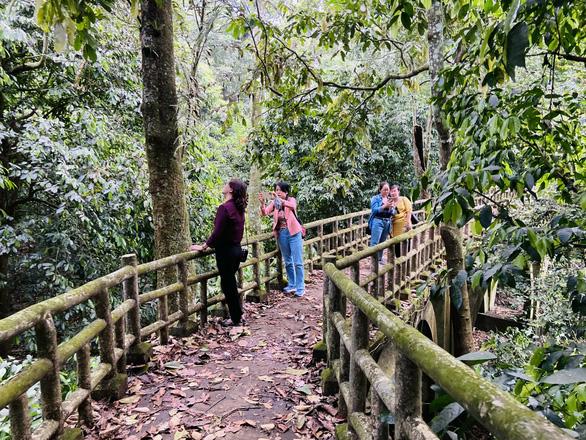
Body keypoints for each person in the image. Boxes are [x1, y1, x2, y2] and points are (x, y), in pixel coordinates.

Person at [190, 179, 247, 327]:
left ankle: (236, 319)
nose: (224, 185)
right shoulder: (239, 207)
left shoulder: (225, 208)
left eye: (227, 184)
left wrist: (204, 246)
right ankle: (238, 314)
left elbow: (217, 233)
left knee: (228, 285)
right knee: (230, 284)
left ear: (231, 190)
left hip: (226, 252)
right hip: (236, 249)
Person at [259, 181, 305, 297]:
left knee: (298, 262)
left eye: (280, 190)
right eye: (276, 190)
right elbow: (265, 213)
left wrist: (279, 200)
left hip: (294, 233)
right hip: (282, 234)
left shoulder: (291, 200)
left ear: (286, 192)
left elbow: (293, 206)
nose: (277, 192)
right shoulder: (275, 203)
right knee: (288, 261)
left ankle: (300, 287)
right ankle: (292, 284)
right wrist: (262, 203)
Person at [367, 182, 395, 264]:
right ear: (380, 190)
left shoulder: (390, 199)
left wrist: (390, 208)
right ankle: (372, 260)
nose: (386, 192)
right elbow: (375, 210)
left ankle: (379, 259)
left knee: (382, 242)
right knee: (375, 242)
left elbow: (392, 212)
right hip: (377, 221)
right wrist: (385, 205)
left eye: (388, 190)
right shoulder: (375, 198)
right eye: (384, 190)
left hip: (387, 222)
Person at [389, 184, 412, 257]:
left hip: (405, 225)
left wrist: (408, 223)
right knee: (396, 245)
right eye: (391, 191)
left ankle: (406, 260)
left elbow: (409, 211)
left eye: (394, 191)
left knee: (405, 241)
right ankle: (399, 260)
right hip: (395, 227)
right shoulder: (390, 201)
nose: (393, 193)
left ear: (398, 191)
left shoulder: (404, 199)